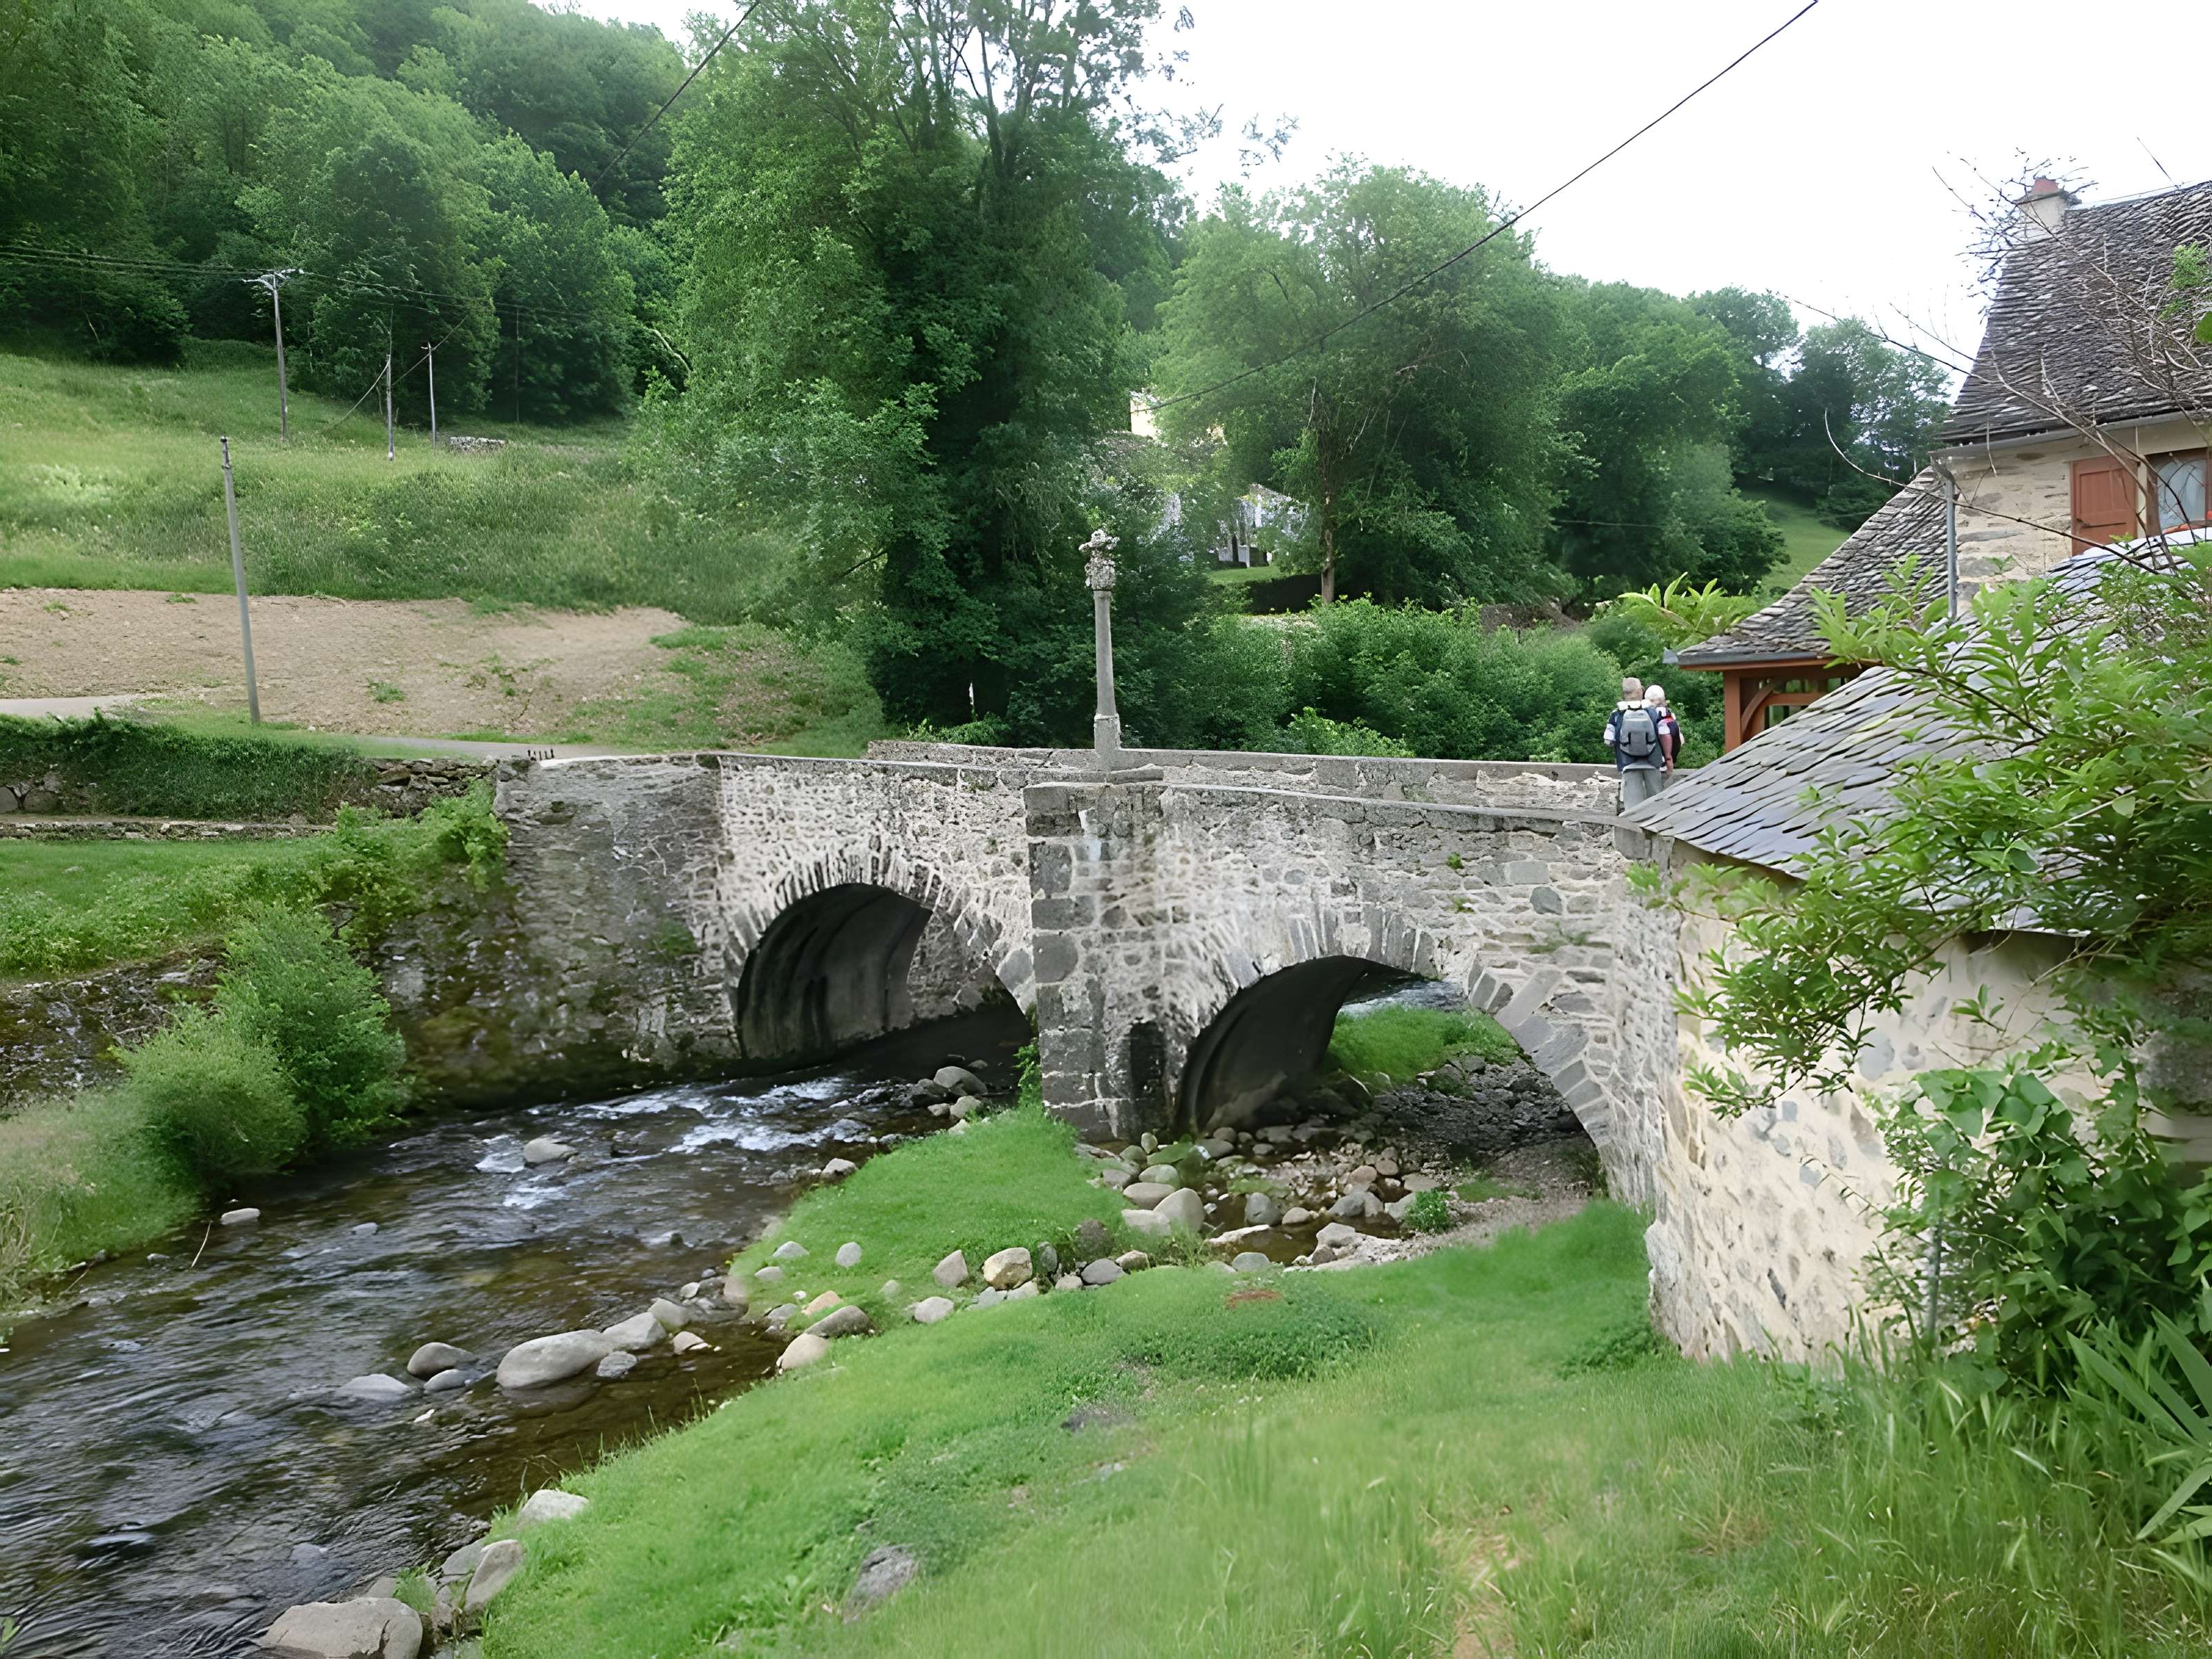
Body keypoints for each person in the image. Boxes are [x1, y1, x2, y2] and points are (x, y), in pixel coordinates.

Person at [1602, 677, 1665, 812]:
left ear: (1624, 693)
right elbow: (1665, 734)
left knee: (1632, 807)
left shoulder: (1617, 713)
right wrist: (1669, 758)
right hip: (1653, 763)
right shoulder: (1653, 711)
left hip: (1628, 764)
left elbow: (1608, 739)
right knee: (1655, 803)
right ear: (1640, 691)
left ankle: (1633, 828)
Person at [1644, 684, 1682, 789]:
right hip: (1673, 733)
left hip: (1665, 735)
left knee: (1668, 758)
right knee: (1670, 758)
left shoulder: (1653, 714)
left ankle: (1666, 767)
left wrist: (1667, 756)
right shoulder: (1669, 713)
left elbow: (1662, 733)